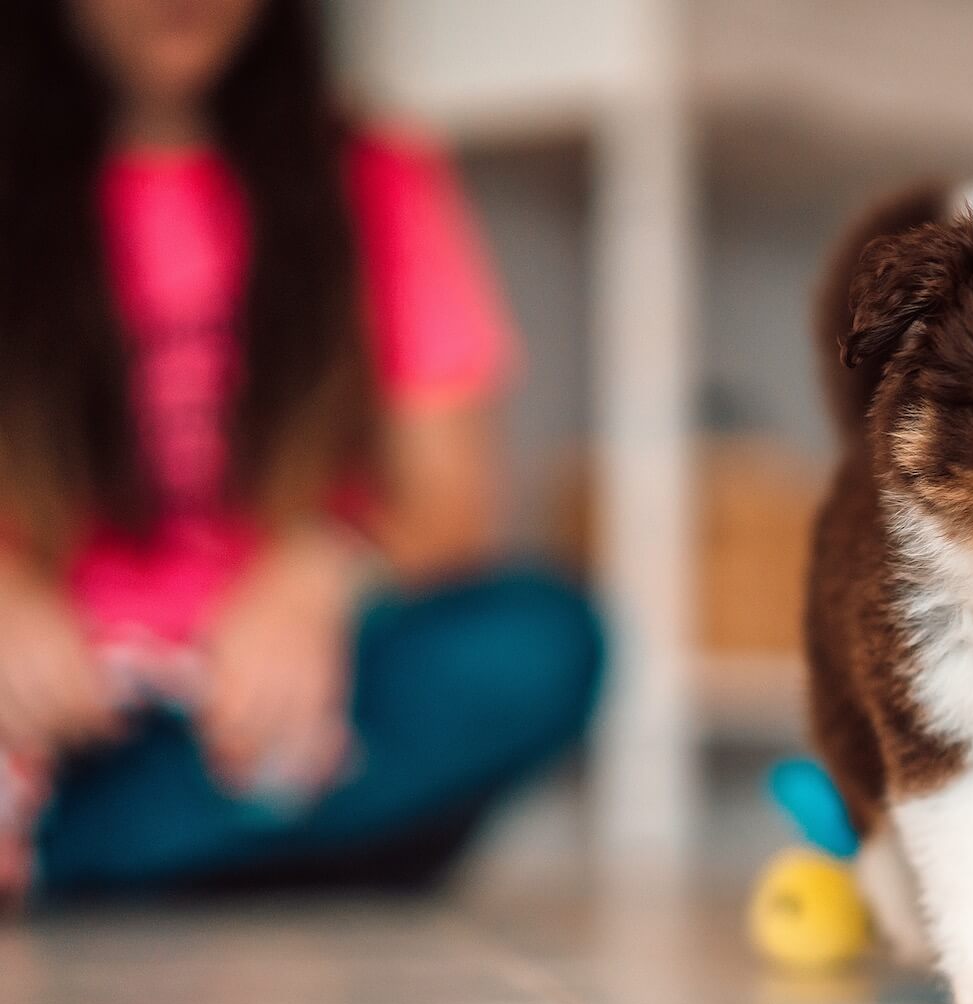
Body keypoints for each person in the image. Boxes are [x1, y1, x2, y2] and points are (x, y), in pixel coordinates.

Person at [0, 0, 606, 906]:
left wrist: (320, 572)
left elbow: (453, 499)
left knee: (543, 641)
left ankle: (78, 852)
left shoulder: (371, 173)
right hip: (55, 697)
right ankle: (259, 848)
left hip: (276, 692)